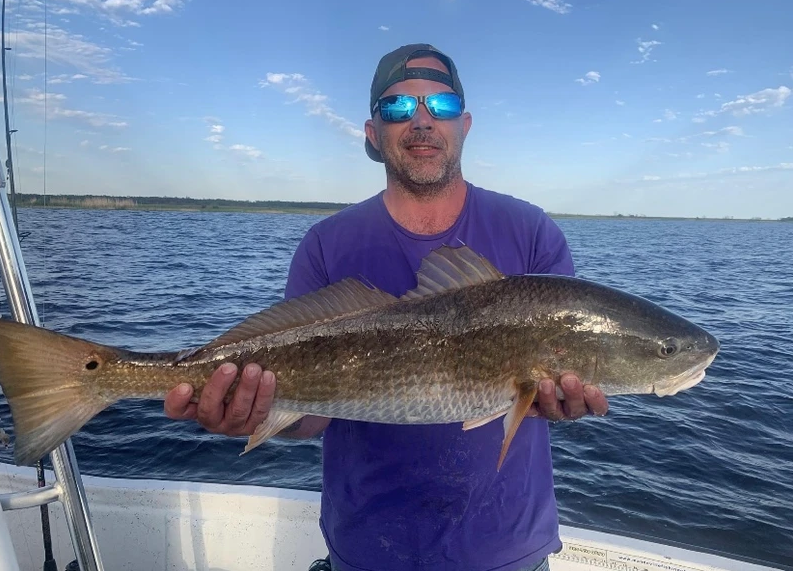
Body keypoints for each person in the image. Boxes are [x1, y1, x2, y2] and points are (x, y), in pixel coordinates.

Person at [164, 43, 609, 571]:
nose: (421, 121)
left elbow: (556, 380)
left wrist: (565, 404)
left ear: (465, 124)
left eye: (440, 105)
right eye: (398, 107)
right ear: (373, 133)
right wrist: (253, 411)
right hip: (364, 549)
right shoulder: (326, 244)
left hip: (509, 549)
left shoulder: (532, 232)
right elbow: (311, 417)